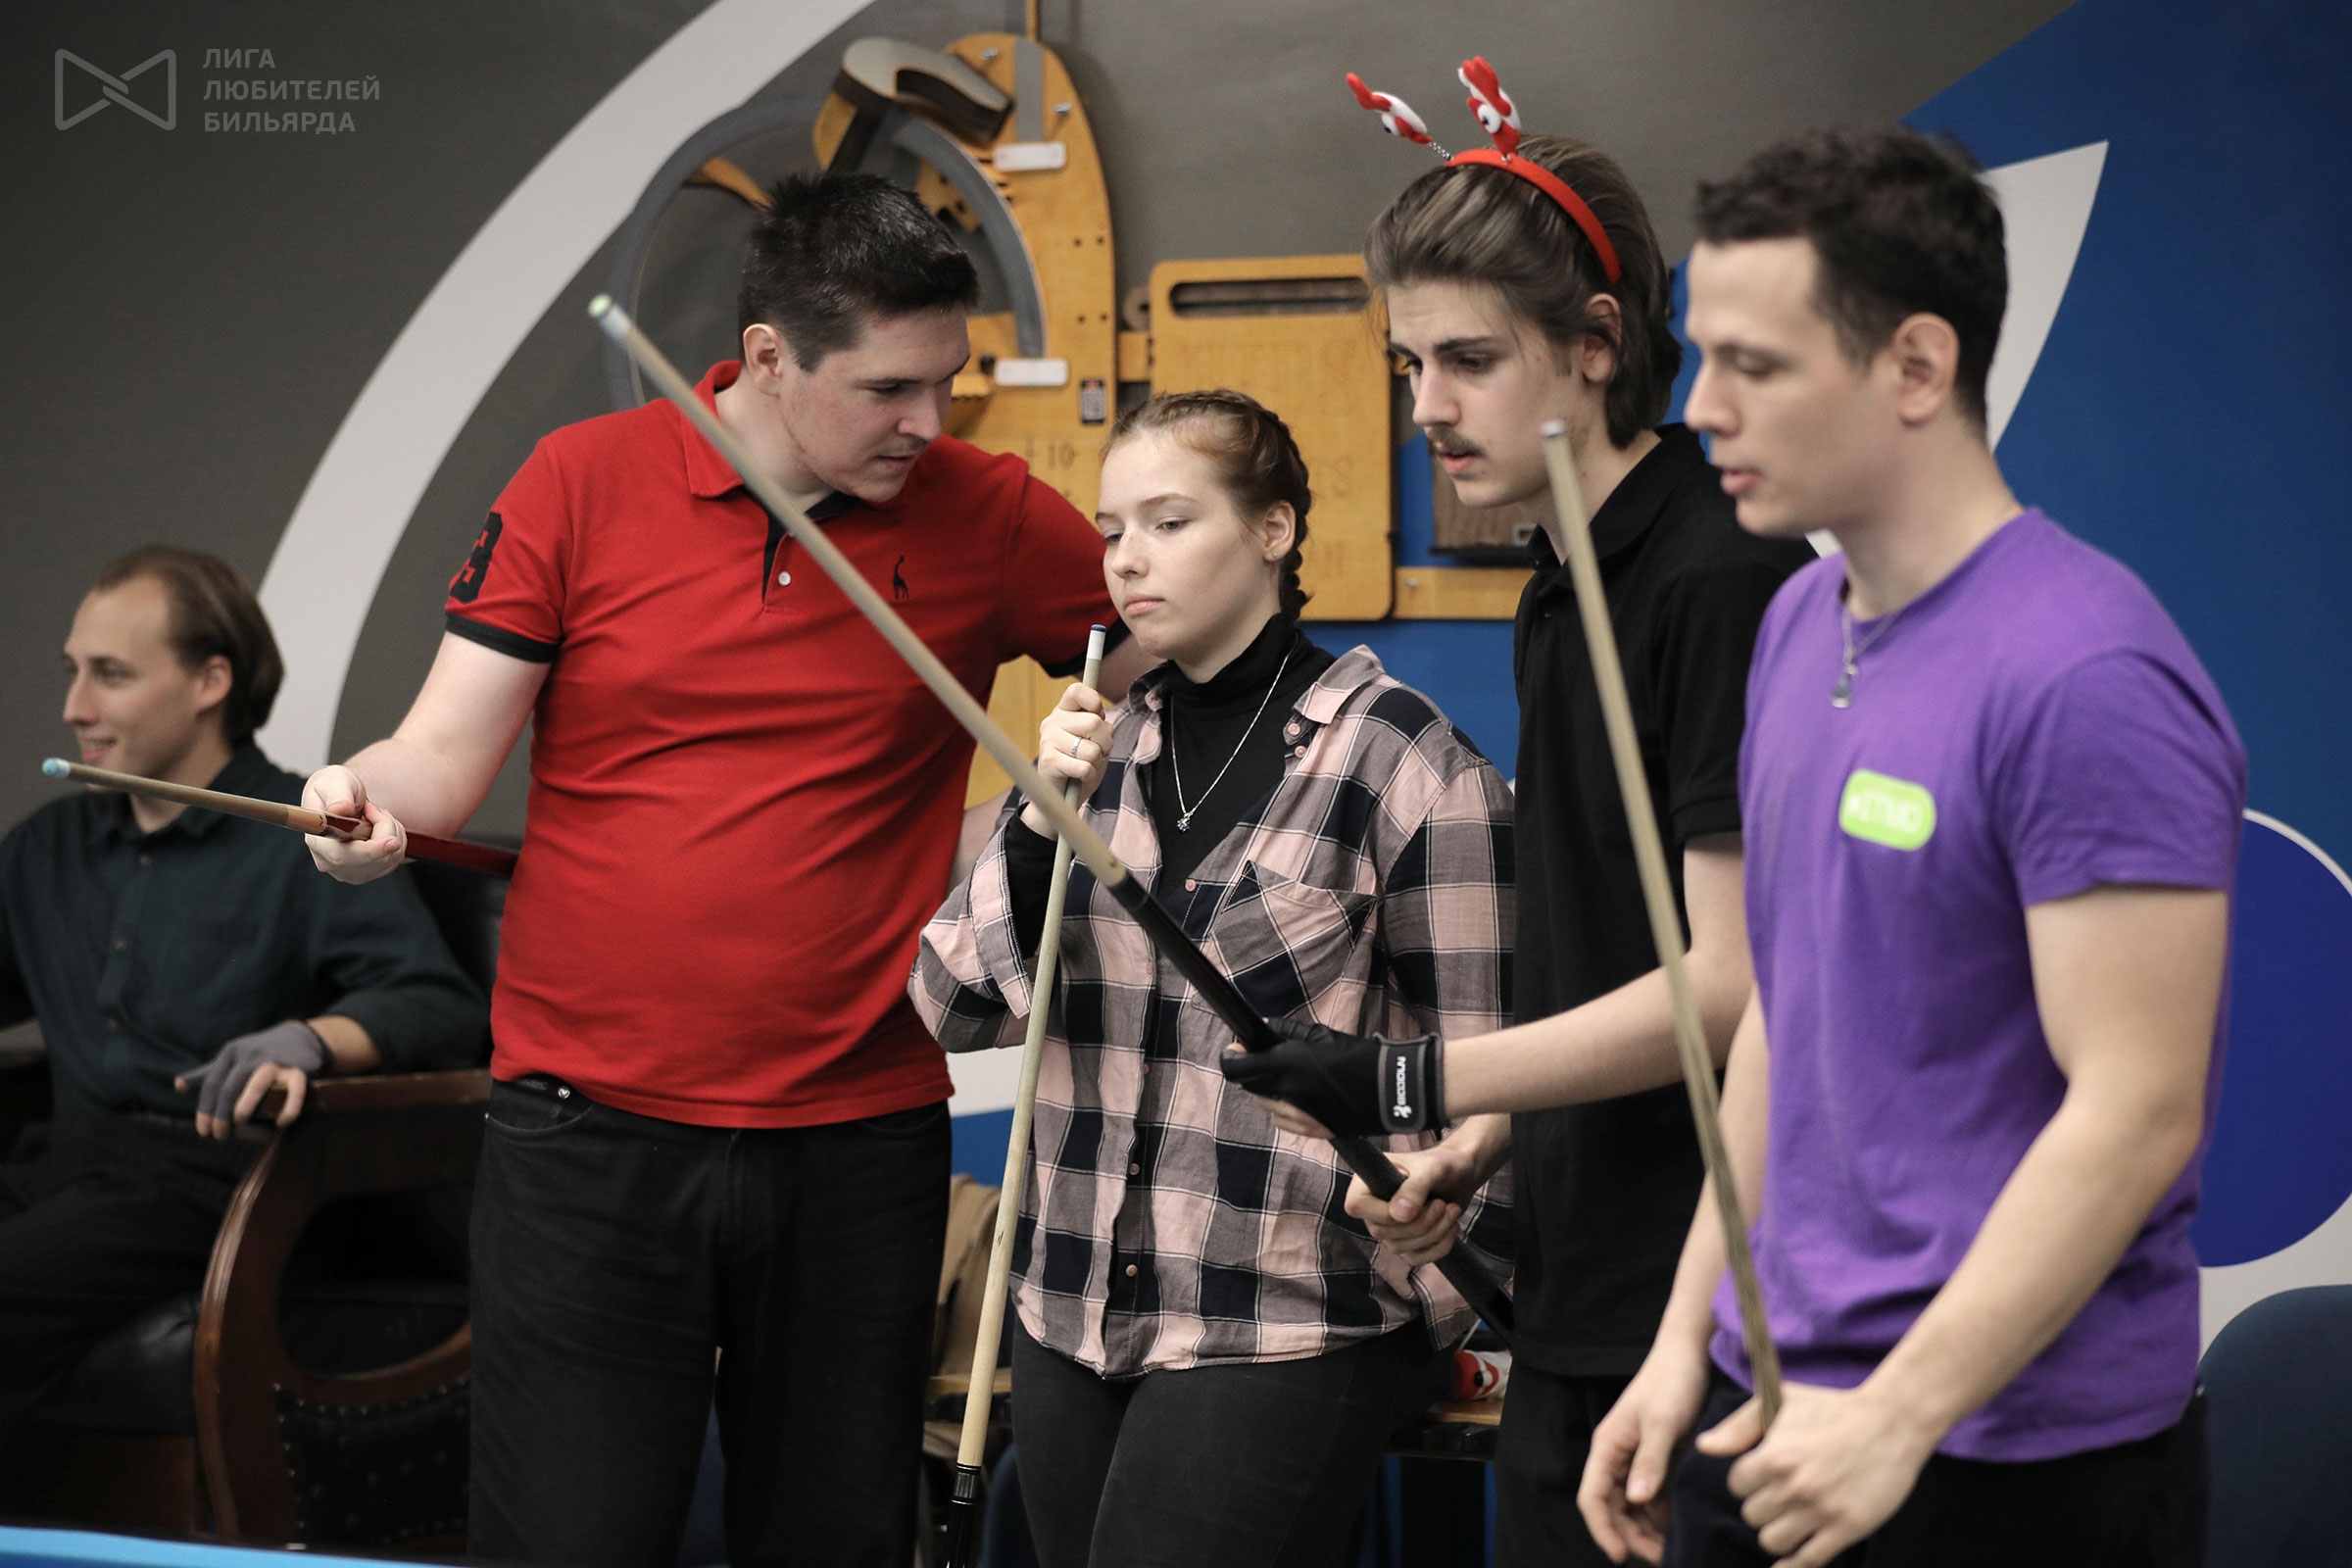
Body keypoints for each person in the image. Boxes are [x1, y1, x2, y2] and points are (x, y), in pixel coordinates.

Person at [305, 172, 1144, 1568]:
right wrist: (355, 806)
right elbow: (436, 759)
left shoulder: (986, 511)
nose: (930, 423)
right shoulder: (580, 480)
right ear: (768, 356)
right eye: (889, 389)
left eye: (946, 382)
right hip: (588, 1130)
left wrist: (1051, 794)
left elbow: (1176, 658)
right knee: (570, 1545)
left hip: (858, 1133)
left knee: (834, 1542)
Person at [1570, 126, 2241, 1567]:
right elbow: (1780, 1021)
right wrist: (1686, 1339)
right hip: (1772, 1409)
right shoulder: (1795, 623)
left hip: (2009, 1460)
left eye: (1755, 366)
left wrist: (1901, 1411)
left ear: (1918, 367)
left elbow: (2138, 1107)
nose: (1701, 409)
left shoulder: (2087, 675)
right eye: (1704, 356)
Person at [1224, 122, 1812, 1566]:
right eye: (1409, 363)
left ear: (1596, 342)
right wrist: (1486, 1143)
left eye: (1469, 360)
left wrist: (1412, 1079)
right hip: (1577, 1292)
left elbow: (1734, 990)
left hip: (1718, 1312)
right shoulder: (1559, 584)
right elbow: (1610, 947)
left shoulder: (1720, 577)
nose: (1426, 405)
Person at [912, 389, 1515, 1568]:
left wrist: (1430, 1296)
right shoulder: (1101, 753)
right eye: (1111, 530)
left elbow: (1489, 1062)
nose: (1127, 559)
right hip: (1071, 1299)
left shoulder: (1403, 759)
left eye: (1170, 521)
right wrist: (1036, 820)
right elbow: (951, 1008)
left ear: (1274, 530)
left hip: (1283, 1307)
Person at [0, 545, 486, 1435]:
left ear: (210, 681)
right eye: (73, 672)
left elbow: (435, 998)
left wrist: (309, 1040)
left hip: (214, 1180)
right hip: (58, 1166)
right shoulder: (47, 848)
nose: (75, 707)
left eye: (111, 674)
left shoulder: (308, 838)